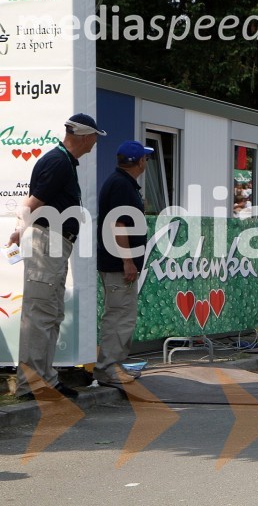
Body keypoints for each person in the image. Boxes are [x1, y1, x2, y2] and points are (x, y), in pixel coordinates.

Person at [7, 113, 107, 400]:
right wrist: (17, 231)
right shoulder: (58, 162)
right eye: (94, 138)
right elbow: (30, 203)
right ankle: (32, 384)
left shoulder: (62, 161)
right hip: (47, 243)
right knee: (40, 314)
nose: (94, 145)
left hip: (53, 243)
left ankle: (45, 379)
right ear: (85, 136)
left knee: (49, 313)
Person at [95, 141, 154, 385]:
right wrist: (127, 260)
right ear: (139, 161)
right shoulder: (121, 185)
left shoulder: (121, 183)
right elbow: (118, 225)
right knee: (119, 316)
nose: (147, 162)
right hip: (118, 263)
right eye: (145, 158)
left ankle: (113, 364)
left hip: (115, 261)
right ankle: (108, 368)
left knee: (121, 314)